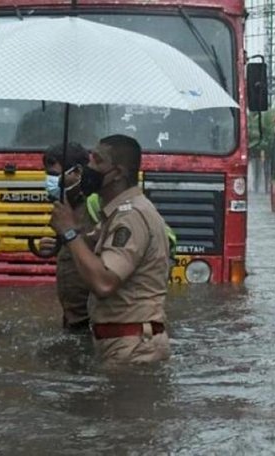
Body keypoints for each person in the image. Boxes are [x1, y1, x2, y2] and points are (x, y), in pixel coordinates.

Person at [50, 134, 171, 364]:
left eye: (97, 161)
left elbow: (104, 282)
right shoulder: (116, 214)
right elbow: (91, 252)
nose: (89, 167)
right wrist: (69, 231)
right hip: (123, 343)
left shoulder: (131, 216)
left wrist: (69, 232)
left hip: (133, 348)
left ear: (117, 173)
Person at [38, 142, 95, 331]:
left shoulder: (95, 205)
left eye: (54, 175)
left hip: (94, 319)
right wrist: (55, 246)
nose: (49, 181)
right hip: (73, 317)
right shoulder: (64, 206)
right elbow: (76, 249)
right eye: (47, 175)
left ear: (78, 172)